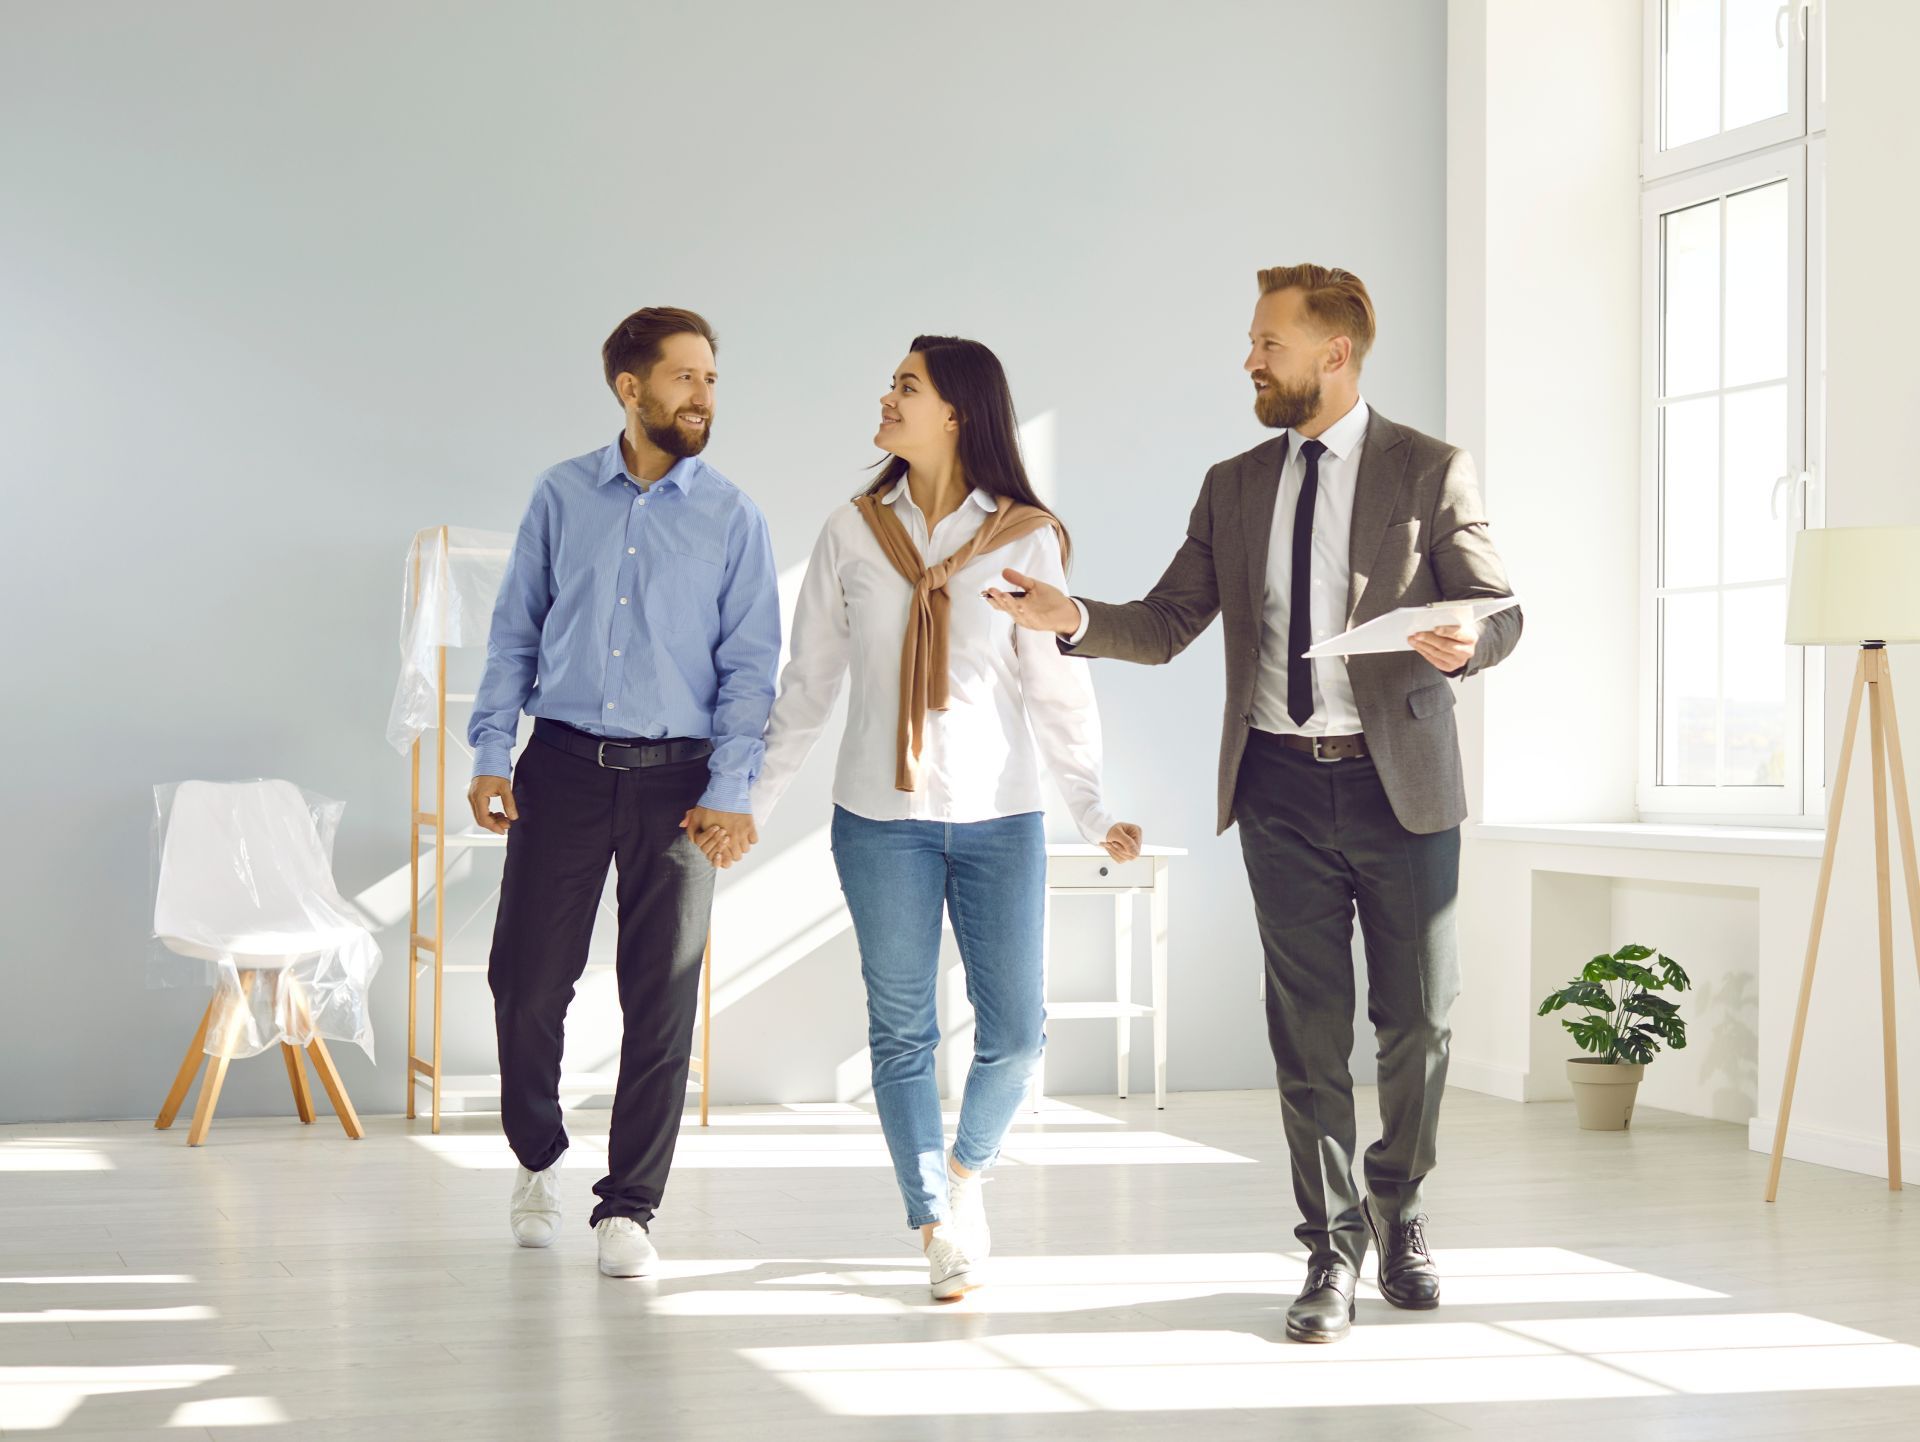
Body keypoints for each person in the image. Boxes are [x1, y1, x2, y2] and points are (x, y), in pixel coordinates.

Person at [988, 265, 1522, 1343]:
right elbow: (1170, 617)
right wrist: (1072, 615)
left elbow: (1498, 608)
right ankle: (1328, 1248)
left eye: (1267, 342)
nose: (1250, 359)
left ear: (1335, 354)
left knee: (1418, 1019)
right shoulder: (1233, 483)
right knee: (1306, 1029)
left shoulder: (1430, 470)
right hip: (1277, 784)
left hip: (1400, 784)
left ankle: (1400, 1202)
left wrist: (1471, 643)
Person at [714, 335, 1141, 1300]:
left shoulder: (1028, 537)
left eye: (906, 386)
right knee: (900, 1031)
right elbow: (808, 688)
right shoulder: (852, 531)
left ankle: (965, 1173)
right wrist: (750, 805)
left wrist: (1093, 808)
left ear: (955, 412)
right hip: (880, 817)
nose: (887, 396)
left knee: (1018, 1033)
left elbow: (1055, 691)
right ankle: (933, 1221)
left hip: (1000, 818)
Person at [465, 306, 780, 1279]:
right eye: (685, 377)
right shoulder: (561, 495)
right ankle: (537, 1154)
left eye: (712, 379)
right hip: (559, 765)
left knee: (662, 997)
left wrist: (731, 786)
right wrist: (488, 748)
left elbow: (751, 668)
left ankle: (629, 1206)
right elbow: (516, 630)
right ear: (629, 388)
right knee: (524, 981)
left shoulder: (733, 514)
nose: (703, 396)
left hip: (681, 780)